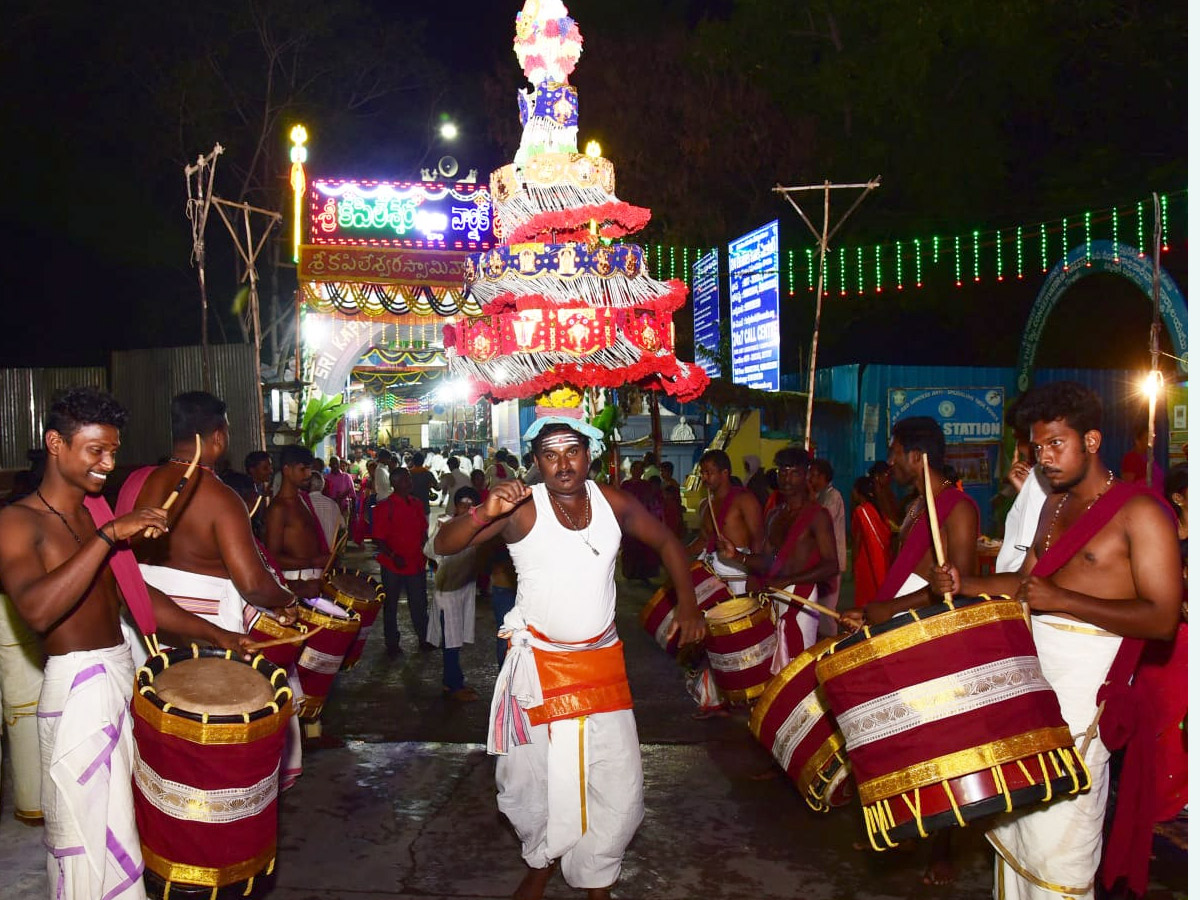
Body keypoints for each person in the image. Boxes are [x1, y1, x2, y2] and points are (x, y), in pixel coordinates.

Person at [434, 416, 706, 900]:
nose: (563, 463)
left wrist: (688, 604)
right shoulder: (521, 508)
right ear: (537, 462)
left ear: (588, 455)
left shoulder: (612, 501)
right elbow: (444, 544)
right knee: (538, 786)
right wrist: (483, 512)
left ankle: (597, 878)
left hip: (602, 667)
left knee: (618, 787)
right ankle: (541, 864)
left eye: (572, 451)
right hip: (540, 671)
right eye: (551, 454)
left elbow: (667, 540)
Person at [929, 380, 1182, 900]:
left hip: (1085, 700)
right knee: (1019, 831)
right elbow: (1026, 584)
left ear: (1091, 441)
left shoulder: (1142, 512)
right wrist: (964, 583)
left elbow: (1161, 618)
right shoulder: (1052, 505)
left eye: (1056, 444)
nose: (1044, 458)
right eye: (1037, 447)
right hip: (1034, 686)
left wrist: (1063, 601)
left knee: (1063, 848)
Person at [0, 387, 249, 900]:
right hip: (75, 691)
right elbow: (38, 609)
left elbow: (130, 593)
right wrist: (109, 536)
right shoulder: (16, 522)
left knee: (126, 832)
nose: (108, 463)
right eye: (95, 450)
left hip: (121, 674)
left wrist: (216, 632)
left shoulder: (92, 512)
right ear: (55, 443)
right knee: (85, 839)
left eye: (114, 451)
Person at [126, 392, 299, 657]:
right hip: (207, 634)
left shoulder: (136, 483)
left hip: (144, 628)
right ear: (218, 436)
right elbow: (252, 583)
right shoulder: (222, 499)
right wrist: (287, 598)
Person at [843, 417, 978, 628]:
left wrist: (890, 608)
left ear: (915, 457)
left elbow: (963, 585)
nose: (890, 462)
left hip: (927, 627)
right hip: (901, 621)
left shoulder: (959, 508)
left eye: (893, 453)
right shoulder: (915, 505)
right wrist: (869, 613)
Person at [719, 446, 839, 667]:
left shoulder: (818, 516)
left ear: (806, 475)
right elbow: (769, 561)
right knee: (774, 662)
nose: (787, 479)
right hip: (775, 595)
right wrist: (737, 556)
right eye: (782, 472)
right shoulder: (774, 515)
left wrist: (788, 581)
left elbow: (831, 565)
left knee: (797, 664)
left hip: (801, 597)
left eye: (794, 472)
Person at [424, 486, 482, 702]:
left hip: (463, 591)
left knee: (454, 639)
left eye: (470, 504)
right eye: (462, 504)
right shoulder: (445, 524)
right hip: (448, 592)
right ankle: (453, 684)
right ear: (456, 506)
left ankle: (454, 681)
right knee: (451, 639)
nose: (466, 507)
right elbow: (429, 550)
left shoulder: (478, 529)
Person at [372, 466, 434, 656]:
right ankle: (392, 642)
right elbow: (378, 538)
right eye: (406, 479)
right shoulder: (385, 507)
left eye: (409, 479)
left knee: (420, 603)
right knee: (391, 604)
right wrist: (392, 556)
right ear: (395, 483)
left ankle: (424, 638)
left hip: (415, 562)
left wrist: (430, 554)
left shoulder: (416, 504)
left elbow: (423, 532)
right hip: (393, 565)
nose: (410, 482)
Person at [688, 449, 764, 594]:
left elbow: (758, 538)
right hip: (711, 574)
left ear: (724, 473)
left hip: (736, 576)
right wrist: (679, 552)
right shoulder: (706, 504)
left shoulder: (744, 499)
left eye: (709, 473)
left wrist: (755, 576)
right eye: (702, 473)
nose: (704, 478)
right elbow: (704, 540)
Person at [265, 445, 330, 599]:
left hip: (314, 581)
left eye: (309, 469)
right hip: (296, 584)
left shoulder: (303, 499)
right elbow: (272, 557)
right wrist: (312, 562)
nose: (308, 474)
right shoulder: (278, 508)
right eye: (303, 469)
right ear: (287, 470)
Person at [808, 458, 846, 624]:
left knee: (828, 609)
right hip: (820, 560)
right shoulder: (819, 496)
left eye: (815, 475)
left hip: (832, 559)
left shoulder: (833, 496)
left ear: (825, 477)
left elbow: (822, 521)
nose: (811, 479)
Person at [619, 460, 664, 581]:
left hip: (643, 521)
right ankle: (630, 573)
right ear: (631, 470)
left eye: (640, 469)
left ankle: (644, 575)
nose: (637, 471)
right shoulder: (625, 485)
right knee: (630, 547)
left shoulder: (646, 485)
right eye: (635, 468)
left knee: (644, 548)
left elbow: (654, 502)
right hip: (628, 521)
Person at [849, 476, 891, 607]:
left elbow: (858, 539)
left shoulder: (861, 511)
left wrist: (854, 562)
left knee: (866, 595)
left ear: (857, 491)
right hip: (882, 558)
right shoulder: (877, 509)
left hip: (866, 561)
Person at [1120, 422, 1165, 494]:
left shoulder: (1149, 457)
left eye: (1153, 438)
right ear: (1137, 441)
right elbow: (1128, 485)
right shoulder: (1131, 458)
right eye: (1147, 439)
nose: (1151, 442)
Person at [307, 472, 343, 549]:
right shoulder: (332, 504)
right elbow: (342, 526)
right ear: (322, 485)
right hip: (331, 552)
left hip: (311, 553)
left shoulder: (304, 503)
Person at [868, 458, 903, 533]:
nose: (889, 478)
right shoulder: (876, 493)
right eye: (887, 474)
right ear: (877, 476)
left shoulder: (887, 490)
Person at [408, 450, 439, 517]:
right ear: (423, 461)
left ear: (413, 461)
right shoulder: (428, 474)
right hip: (424, 506)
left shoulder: (408, 474)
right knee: (425, 526)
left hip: (411, 506)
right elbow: (437, 488)